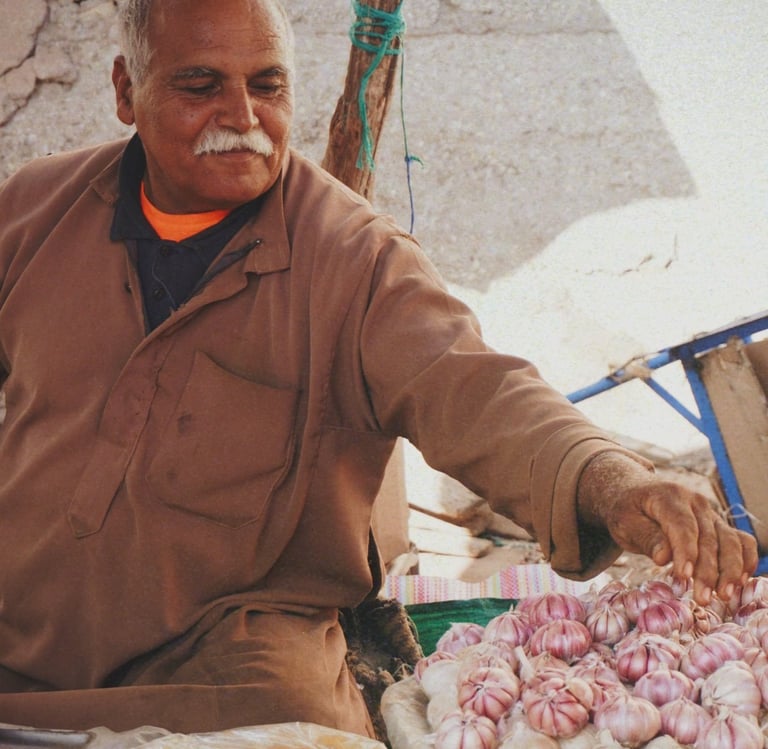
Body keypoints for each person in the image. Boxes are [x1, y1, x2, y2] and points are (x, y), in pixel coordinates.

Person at [0, 0, 756, 739]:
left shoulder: (358, 260)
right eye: (201, 85)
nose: (242, 114)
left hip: (220, 657)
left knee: (287, 725)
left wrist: (614, 481)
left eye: (267, 85)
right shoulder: (33, 210)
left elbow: (481, 392)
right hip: (20, 620)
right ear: (127, 90)